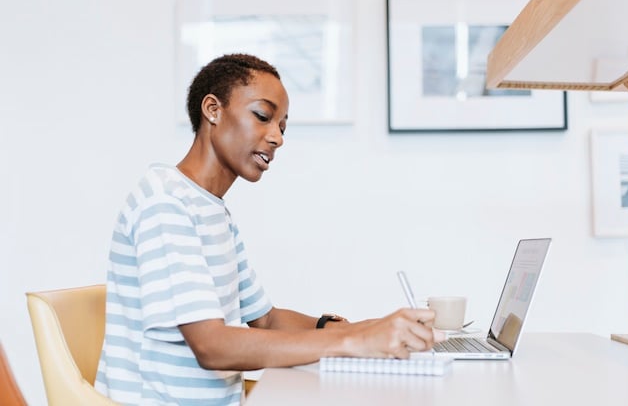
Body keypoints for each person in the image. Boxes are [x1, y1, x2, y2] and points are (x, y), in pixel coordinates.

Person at [95, 53, 440, 406]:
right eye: (262, 116)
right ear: (213, 110)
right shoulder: (165, 202)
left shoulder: (212, 210)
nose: (277, 138)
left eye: (282, 127)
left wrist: (372, 329)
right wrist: (353, 343)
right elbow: (211, 347)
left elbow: (267, 319)